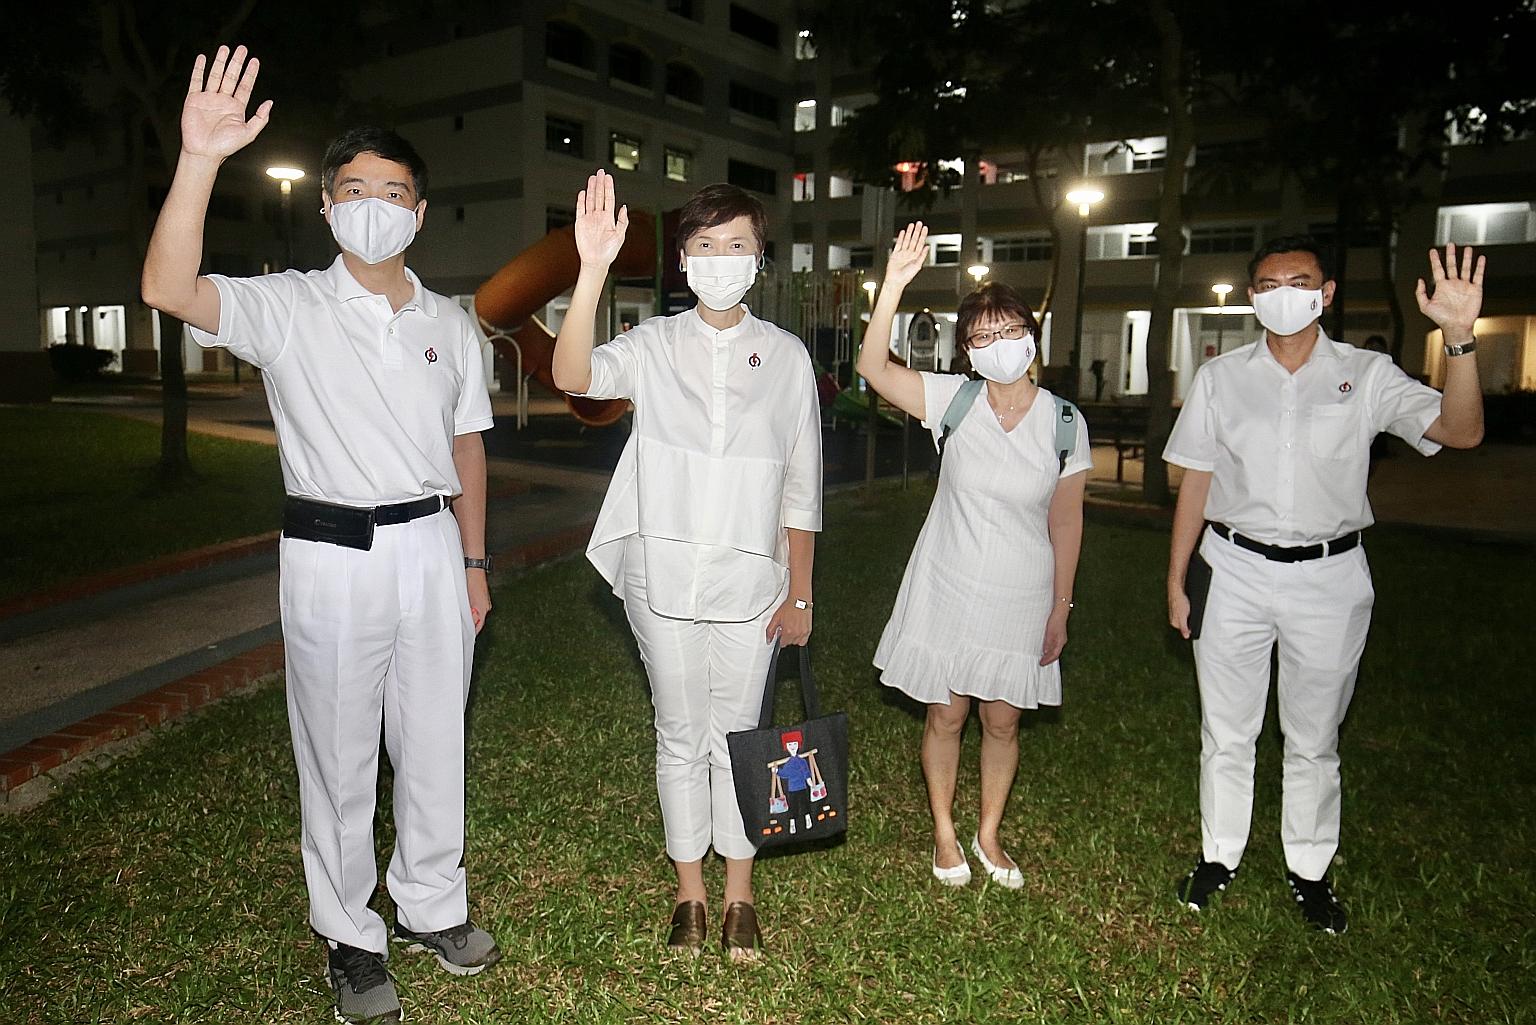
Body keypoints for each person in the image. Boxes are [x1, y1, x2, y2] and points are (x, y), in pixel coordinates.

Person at [141, 46, 500, 1024]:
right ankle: (349, 932)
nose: (374, 202)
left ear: (420, 213)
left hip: (431, 547)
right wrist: (200, 159)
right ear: (329, 207)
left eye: (394, 190)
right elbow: (170, 288)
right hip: (330, 552)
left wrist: (473, 558)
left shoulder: (451, 324)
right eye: (354, 187)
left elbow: (468, 444)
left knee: (433, 739)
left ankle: (430, 900)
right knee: (338, 753)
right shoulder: (288, 306)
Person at [1164, 236, 1486, 933]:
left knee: (1313, 736)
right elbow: (1196, 477)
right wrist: (1175, 579)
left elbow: (1460, 431)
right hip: (1232, 567)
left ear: (1327, 292)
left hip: (1330, 575)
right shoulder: (1221, 378)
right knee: (1227, 729)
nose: (1284, 293)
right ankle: (1219, 855)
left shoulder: (1366, 374)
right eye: (1269, 283)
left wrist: (1459, 339)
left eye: (1299, 280)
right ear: (1252, 296)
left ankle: (1308, 870)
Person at [552, 171, 822, 958]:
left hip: (753, 582)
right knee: (678, 734)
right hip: (660, 575)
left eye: (738, 244)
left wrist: (801, 592)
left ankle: (739, 893)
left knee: (739, 737)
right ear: (682, 259)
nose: (722, 257)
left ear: (760, 258)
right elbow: (574, 376)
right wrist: (593, 266)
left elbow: (802, 482)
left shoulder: (786, 356)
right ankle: (690, 895)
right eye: (706, 244)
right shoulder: (654, 344)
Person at [856, 223, 1090, 889]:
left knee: (1001, 719)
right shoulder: (952, 400)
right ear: (966, 350)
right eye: (983, 336)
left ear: (1032, 336)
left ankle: (989, 830)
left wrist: (1061, 606)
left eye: (1009, 330)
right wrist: (895, 285)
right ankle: (944, 831)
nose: (999, 345)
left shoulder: (1065, 422)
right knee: (946, 712)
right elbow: (873, 369)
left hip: (1022, 591)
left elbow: (1066, 518)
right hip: (948, 582)